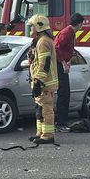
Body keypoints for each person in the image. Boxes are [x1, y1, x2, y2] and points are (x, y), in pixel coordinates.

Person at [28, 14, 59, 144]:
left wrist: (38, 81)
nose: (30, 29)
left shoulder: (44, 42)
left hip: (45, 83)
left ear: (39, 27)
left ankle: (48, 135)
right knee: (40, 110)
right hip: (42, 82)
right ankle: (40, 133)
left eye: (32, 27)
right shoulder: (40, 41)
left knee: (46, 109)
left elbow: (44, 64)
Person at [54, 12, 84, 131]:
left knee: (65, 94)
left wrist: (68, 60)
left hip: (62, 64)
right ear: (80, 24)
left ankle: (62, 122)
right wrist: (63, 62)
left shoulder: (70, 33)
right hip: (59, 65)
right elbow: (56, 47)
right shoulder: (67, 33)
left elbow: (66, 49)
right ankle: (61, 123)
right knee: (63, 94)